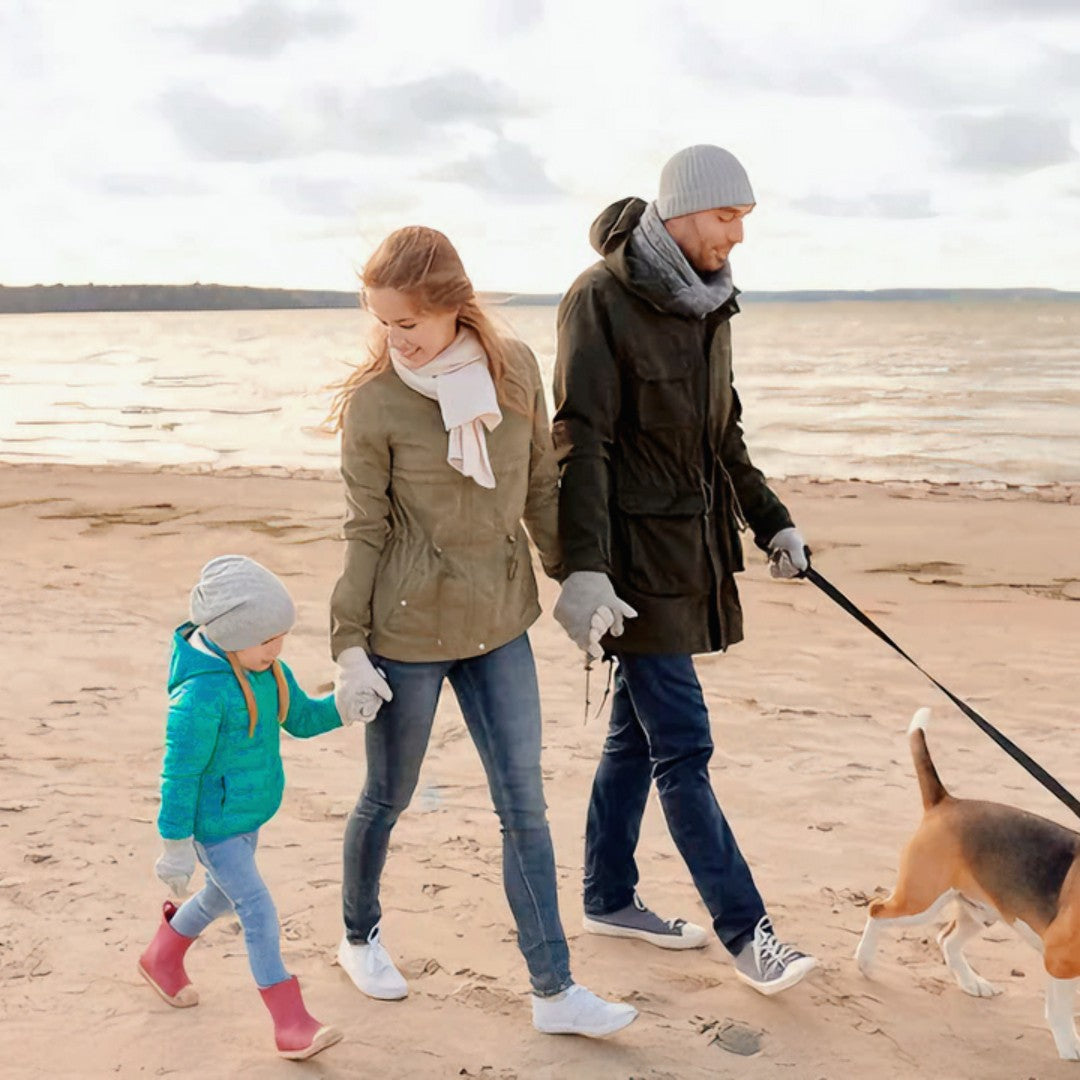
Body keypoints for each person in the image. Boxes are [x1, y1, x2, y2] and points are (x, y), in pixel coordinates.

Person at [325, 226, 638, 1038]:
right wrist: (348, 645)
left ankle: (554, 991)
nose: (397, 339)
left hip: (500, 620)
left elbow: (538, 486)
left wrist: (576, 575)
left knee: (523, 806)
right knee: (386, 797)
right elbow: (365, 530)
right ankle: (358, 937)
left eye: (409, 323)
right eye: (384, 324)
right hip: (406, 628)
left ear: (452, 304)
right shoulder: (376, 403)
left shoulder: (516, 369)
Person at [550, 144, 818, 995]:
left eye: (744, 219)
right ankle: (750, 935)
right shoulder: (600, 299)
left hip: (692, 553)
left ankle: (605, 895)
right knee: (685, 747)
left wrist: (773, 522)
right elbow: (579, 439)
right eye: (724, 217)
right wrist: (582, 570)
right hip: (631, 568)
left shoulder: (712, 305)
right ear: (679, 212)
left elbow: (721, 437)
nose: (736, 236)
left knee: (636, 739)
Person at [137, 555, 344, 1060]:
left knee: (221, 897)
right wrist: (176, 845)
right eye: (265, 639)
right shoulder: (198, 696)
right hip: (212, 826)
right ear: (229, 633)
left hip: (246, 815)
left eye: (281, 638)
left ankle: (161, 957)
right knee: (255, 907)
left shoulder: (267, 669)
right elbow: (179, 776)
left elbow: (302, 719)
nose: (276, 649)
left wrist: (347, 706)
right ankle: (290, 1021)